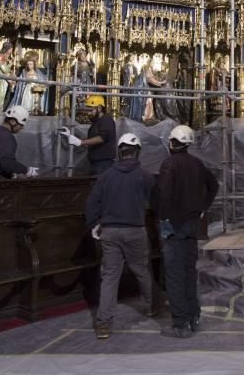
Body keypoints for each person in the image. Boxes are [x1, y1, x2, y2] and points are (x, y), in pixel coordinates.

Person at [84, 133, 159, 340]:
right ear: (137, 152)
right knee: (142, 270)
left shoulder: (106, 176)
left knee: (109, 277)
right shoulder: (144, 175)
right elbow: (156, 201)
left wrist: (94, 224)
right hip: (135, 230)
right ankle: (152, 306)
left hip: (109, 231)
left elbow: (91, 203)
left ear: (119, 151)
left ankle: (103, 324)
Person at [157, 125, 218, 338]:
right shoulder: (197, 163)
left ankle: (180, 323)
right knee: (189, 273)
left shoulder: (169, 164)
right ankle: (194, 317)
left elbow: (164, 195)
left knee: (174, 275)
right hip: (192, 225)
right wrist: (203, 207)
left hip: (174, 226)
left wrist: (164, 219)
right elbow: (214, 185)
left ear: (172, 143)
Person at [63, 96, 118, 175]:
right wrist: (71, 136)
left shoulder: (106, 120)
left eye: (91, 110)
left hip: (104, 163)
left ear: (99, 108)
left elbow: (102, 138)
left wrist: (81, 142)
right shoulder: (97, 122)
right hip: (96, 162)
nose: (88, 113)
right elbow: (92, 140)